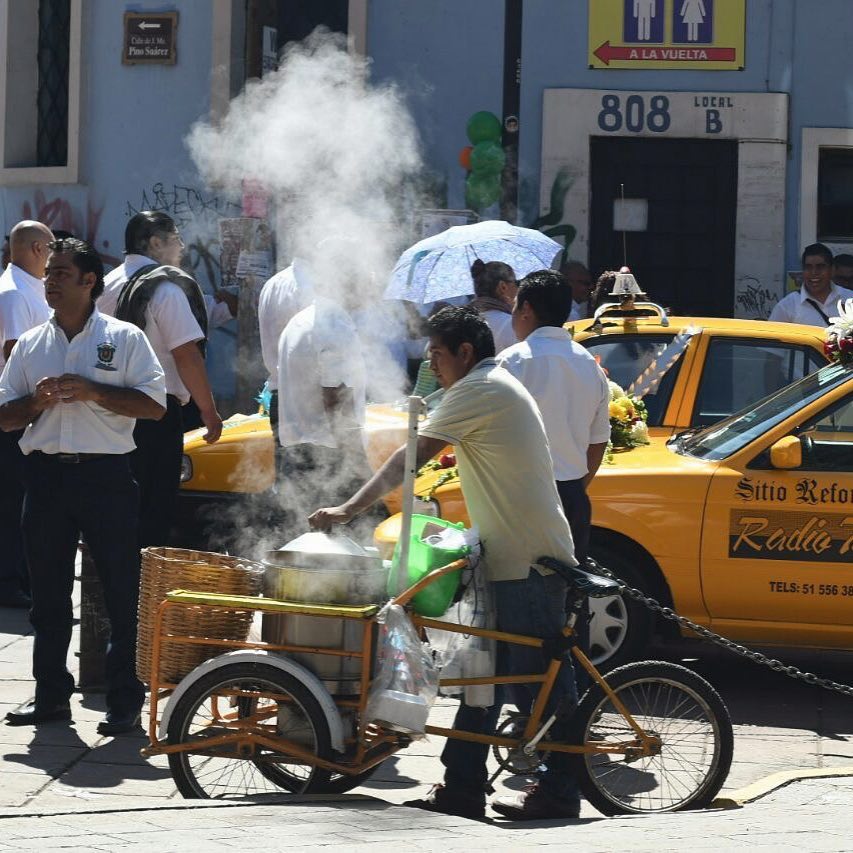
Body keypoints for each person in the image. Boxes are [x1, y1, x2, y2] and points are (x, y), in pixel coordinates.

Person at [308, 306, 580, 821]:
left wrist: (349, 508)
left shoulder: (482, 390)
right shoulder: (482, 386)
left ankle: (561, 789)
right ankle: (462, 787)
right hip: (506, 555)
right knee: (483, 677)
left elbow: (411, 456)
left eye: (436, 354)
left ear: (465, 353)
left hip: (527, 559)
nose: (431, 364)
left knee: (532, 682)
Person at [0, 238, 166, 733]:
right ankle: (50, 695)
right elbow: (5, 416)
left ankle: (123, 701)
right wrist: (35, 404)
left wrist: (95, 392)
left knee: (120, 591)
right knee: (48, 595)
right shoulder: (31, 344)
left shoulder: (124, 338)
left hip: (106, 476)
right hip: (47, 477)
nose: (49, 282)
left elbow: (154, 405)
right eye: (48, 272)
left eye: (61, 273)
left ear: (90, 281)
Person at [99, 211, 222, 548]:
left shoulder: (105, 285)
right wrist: (208, 412)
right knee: (153, 508)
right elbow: (186, 355)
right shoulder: (164, 288)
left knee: (116, 504)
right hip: (156, 411)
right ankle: (140, 589)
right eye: (176, 238)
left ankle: (113, 583)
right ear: (155, 243)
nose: (182, 246)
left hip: (108, 407)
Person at [497, 269, 610, 567]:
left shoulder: (511, 361)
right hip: (573, 498)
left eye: (515, 305)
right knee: (565, 597)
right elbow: (598, 443)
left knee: (517, 593)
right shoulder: (590, 365)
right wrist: (574, 488)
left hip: (522, 496)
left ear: (527, 309)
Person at [276, 258, 369, 533]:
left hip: (296, 452)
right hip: (328, 457)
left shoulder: (298, 321)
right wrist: (359, 466)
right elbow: (336, 401)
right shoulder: (334, 326)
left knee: (299, 548)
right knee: (333, 560)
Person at [0, 220, 54, 608]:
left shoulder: (27, 289)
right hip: (15, 412)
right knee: (13, 500)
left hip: (27, 411)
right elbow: (14, 354)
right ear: (37, 249)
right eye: (52, 247)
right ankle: (9, 580)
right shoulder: (15, 294)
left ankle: (19, 576)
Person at [258, 257, 314, 448]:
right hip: (305, 402)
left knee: (287, 473)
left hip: (279, 396)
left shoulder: (272, 283)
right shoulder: (309, 287)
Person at [769, 243, 853, 326]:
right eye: (808, 267)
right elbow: (770, 337)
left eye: (820, 267)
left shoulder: (849, 298)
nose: (814, 272)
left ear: (832, 269)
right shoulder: (787, 306)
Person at [468, 259, 518, 352]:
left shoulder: (465, 323)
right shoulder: (513, 325)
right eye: (516, 282)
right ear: (503, 287)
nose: (518, 288)